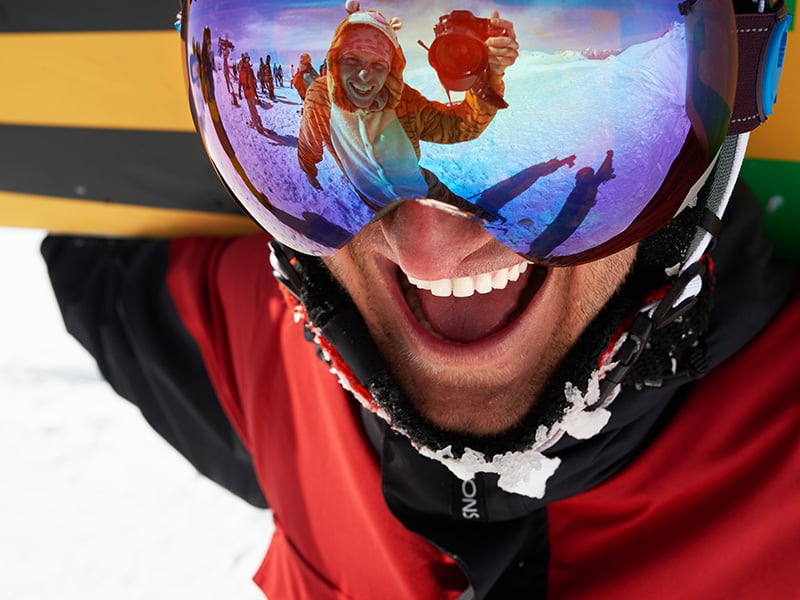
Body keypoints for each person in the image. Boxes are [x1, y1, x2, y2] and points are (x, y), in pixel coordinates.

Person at [43, 1, 799, 598]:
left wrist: (492, 87)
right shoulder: (262, 354)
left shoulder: (265, 369)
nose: (427, 251)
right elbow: (101, 262)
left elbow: (460, 123)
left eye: (560, 111)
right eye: (346, 62)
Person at [297, 6, 517, 211]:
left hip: (425, 191)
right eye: (352, 60)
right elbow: (309, 142)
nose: (365, 75)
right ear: (336, 59)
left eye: (378, 64)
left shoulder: (404, 99)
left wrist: (492, 75)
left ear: (391, 68)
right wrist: (308, 172)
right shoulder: (321, 97)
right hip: (379, 207)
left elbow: (460, 126)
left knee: (471, 219)